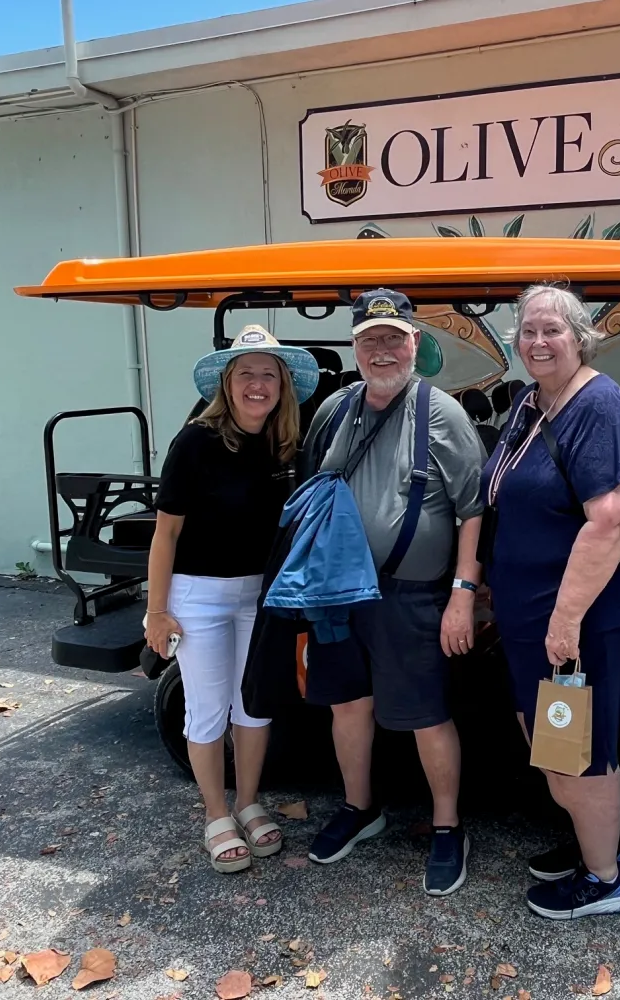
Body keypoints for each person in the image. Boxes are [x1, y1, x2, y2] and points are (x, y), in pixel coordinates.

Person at [479, 283, 620, 919]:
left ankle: (605, 879)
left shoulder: (598, 403)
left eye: (552, 330)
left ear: (580, 336)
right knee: (557, 746)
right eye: (528, 331)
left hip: (583, 616)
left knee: (575, 752)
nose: (537, 341)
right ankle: (597, 845)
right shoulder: (535, 403)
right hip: (537, 615)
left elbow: (619, 515)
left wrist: (564, 618)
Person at [302, 288, 485, 897]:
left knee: (426, 714)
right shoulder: (333, 409)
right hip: (338, 593)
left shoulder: (443, 413)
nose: (382, 350)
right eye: (369, 339)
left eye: (393, 338)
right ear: (355, 347)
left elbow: (472, 510)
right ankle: (360, 808)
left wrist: (462, 592)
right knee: (347, 704)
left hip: (411, 596)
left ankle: (447, 826)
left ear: (415, 344)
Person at [145, 325, 319, 873]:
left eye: (269, 373)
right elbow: (165, 533)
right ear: (227, 382)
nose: (258, 383)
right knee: (207, 709)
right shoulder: (196, 441)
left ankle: (248, 801)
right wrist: (156, 609)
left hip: (259, 595)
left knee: (254, 705)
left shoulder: (284, 441)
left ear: (283, 385)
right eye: (246, 372)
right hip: (198, 595)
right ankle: (216, 814)